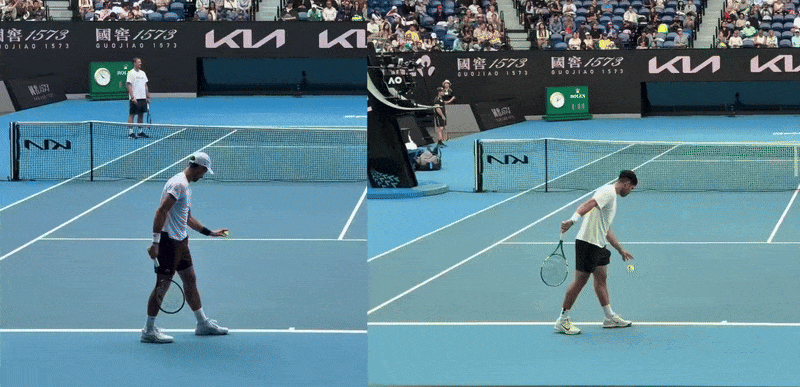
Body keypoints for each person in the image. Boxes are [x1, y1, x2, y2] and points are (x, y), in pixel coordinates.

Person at [142, 152, 229, 344]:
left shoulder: (185, 186)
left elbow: (187, 218)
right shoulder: (178, 184)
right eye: (204, 172)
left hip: (181, 242)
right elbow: (162, 211)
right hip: (168, 243)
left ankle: (202, 323)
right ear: (198, 167)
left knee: (190, 279)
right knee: (163, 285)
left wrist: (209, 232)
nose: (203, 176)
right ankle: (148, 330)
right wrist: (155, 242)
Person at [554, 170, 638, 335]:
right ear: (626, 183)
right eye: (632, 188)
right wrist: (573, 220)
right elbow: (589, 203)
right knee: (580, 281)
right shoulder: (607, 192)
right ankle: (562, 320)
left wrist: (620, 249)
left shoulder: (611, 197)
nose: (631, 192)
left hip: (599, 245)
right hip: (588, 243)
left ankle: (609, 317)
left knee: (601, 279)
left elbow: (606, 229)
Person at [126, 57, 150, 139]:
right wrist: (132, 97)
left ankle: (140, 132)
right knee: (132, 115)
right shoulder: (131, 73)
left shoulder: (143, 73)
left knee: (141, 115)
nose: (140, 63)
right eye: (139, 62)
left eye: (140, 62)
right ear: (134, 63)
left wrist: (147, 96)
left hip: (142, 97)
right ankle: (131, 133)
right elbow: (129, 85)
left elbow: (145, 85)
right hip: (135, 98)